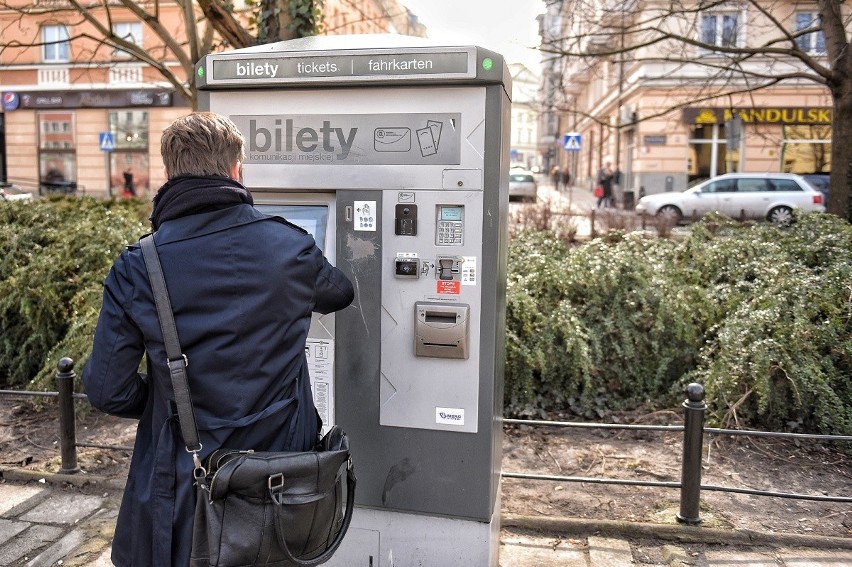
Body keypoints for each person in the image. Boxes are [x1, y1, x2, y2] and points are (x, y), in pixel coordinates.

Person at [82, 112, 355, 567]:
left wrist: (166, 398)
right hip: (282, 480)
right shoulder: (291, 246)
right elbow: (341, 292)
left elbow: (107, 388)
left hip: (183, 483)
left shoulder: (139, 266)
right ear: (235, 170)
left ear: (168, 174)